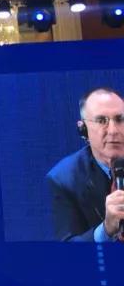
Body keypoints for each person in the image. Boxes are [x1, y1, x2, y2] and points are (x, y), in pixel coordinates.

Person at [46, 87, 124, 242]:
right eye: (101, 121)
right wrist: (106, 229)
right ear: (83, 130)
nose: (113, 130)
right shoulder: (63, 179)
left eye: (120, 119)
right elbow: (68, 247)